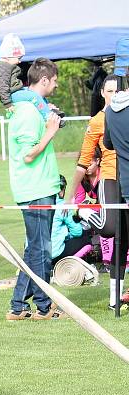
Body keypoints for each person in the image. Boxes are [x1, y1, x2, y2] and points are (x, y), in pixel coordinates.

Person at [6, 58, 62, 321]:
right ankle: (44, 305)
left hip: (41, 185)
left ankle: (17, 305)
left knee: (34, 249)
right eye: (54, 80)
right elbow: (29, 154)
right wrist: (50, 131)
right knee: (41, 249)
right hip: (34, 189)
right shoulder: (27, 112)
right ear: (43, 80)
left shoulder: (31, 108)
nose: (56, 84)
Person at [69, 75, 125, 307]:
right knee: (110, 228)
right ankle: (84, 212)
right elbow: (83, 160)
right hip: (110, 178)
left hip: (128, 181)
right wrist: (70, 197)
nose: (113, 95)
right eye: (109, 91)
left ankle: (115, 300)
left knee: (125, 241)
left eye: (117, 91)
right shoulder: (97, 121)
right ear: (102, 93)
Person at [104, 80, 129, 310]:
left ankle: (114, 299)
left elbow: (108, 143)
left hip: (123, 184)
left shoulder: (111, 110)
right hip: (117, 182)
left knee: (122, 243)